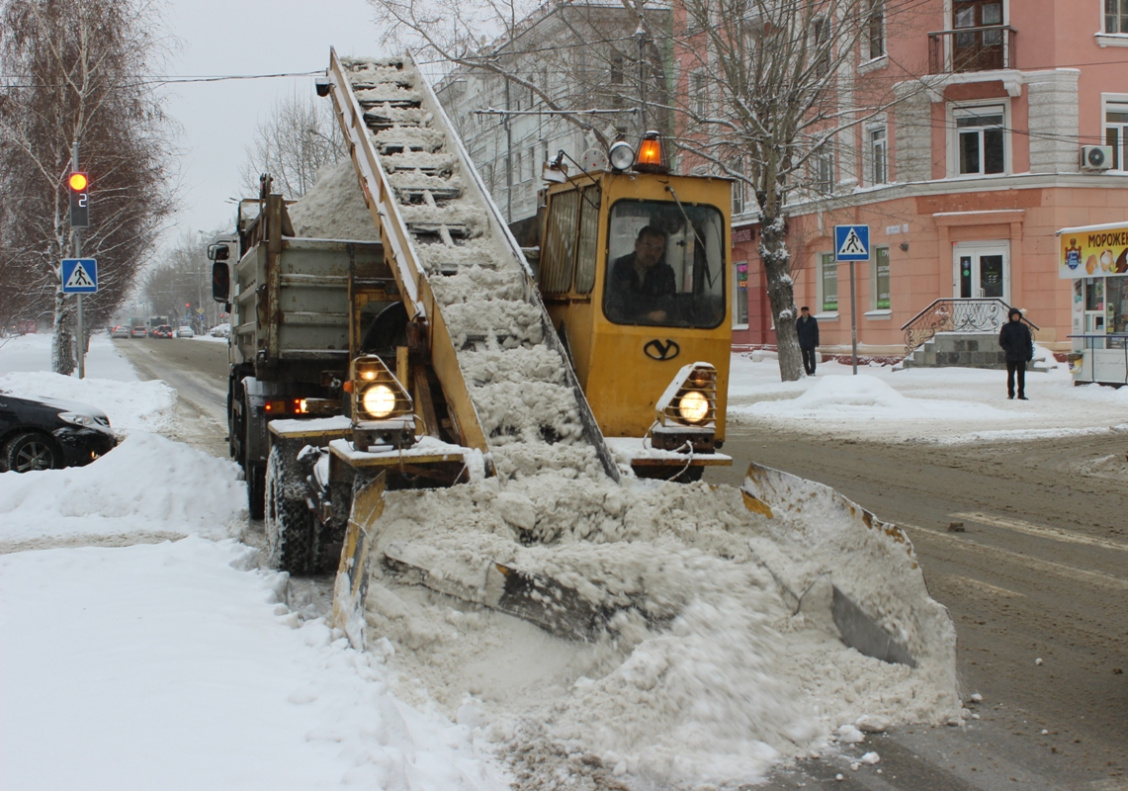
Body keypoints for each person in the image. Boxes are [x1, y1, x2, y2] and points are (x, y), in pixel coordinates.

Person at [607, 226, 676, 323]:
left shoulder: (665, 272)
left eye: (658, 249)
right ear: (637, 244)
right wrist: (645, 317)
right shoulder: (620, 267)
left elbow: (667, 305)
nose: (652, 253)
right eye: (648, 246)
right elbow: (615, 305)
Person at [998, 307, 1034, 400]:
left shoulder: (1023, 327)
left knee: (1021, 376)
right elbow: (1002, 341)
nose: (1015, 317)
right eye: (1014, 316)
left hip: (1021, 355)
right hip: (1011, 356)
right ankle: (1011, 393)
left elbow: (1028, 342)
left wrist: (1029, 353)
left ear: (1019, 317)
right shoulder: (1006, 327)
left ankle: (1021, 393)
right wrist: (1008, 349)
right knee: (1011, 375)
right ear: (1011, 317)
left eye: (1017, 316)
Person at [796, 306, 820, 375]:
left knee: (812, 357)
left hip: (811, 342)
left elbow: (816, 331)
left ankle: (812, 371)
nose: (804, 313)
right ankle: (807, 371)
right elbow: (797, 332)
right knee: (805, 358)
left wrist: (816, 341)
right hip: (802, 342)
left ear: (808, 311)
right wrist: (798, 341)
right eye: (803, 311)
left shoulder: (813, 320)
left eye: (805, 311)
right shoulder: (799, 321)